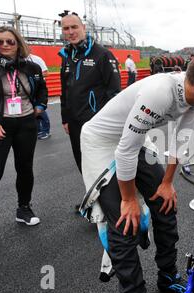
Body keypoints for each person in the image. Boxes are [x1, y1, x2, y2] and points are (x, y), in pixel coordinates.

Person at [80, 51, 194, 293]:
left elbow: (181, 142)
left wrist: (167, 183)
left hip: (133, 141)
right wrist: (129, 199)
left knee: (166, 204)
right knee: (125, 222)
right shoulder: (159, 93)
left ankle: (167, 275)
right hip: (101, 143)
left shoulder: (193, 96)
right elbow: (125, 152)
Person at [0, 26, 48, 248]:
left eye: (9, 41)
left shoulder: (31, 67)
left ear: (18, 43)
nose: (5, 45)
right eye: (0, 42)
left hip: (26, 124)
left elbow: (42, 90)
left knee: (25, 168)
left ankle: (23, 208)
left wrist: (40, 106)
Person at [58, 12, 121, 176]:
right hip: (74, 122)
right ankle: (93, 199)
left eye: (74, 27)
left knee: (101, 162)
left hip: (96, 120)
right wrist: (65, 118)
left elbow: (114, 92)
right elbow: (64, 90)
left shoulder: (102, 54)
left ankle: (110, 200)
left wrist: (109, 121)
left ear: (83, 28)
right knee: (82, 162)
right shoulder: (66, 55)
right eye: (66, 28)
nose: (70, 32)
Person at [27, 53, 51, 140]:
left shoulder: (36, 59)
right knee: (32, 110)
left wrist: (34, 75)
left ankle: (46, 131)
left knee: (40, 110)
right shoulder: (18, 59)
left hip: (38, 88)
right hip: (28, 90)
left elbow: (46, 73)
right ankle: (38, 130)